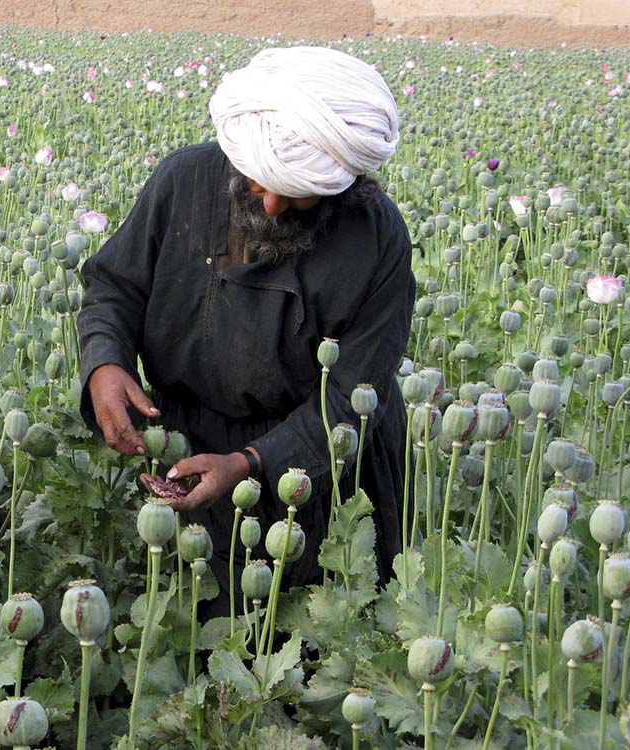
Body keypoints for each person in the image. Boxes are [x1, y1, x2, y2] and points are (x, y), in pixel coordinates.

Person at [78, 46, 414, 601]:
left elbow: (354, 395)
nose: (275, 204)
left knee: (327, 635)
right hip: (194, 446)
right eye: (260, 183)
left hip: (324, 465)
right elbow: (116, 285)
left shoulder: (376, 238)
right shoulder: (182, 182)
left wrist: (253, 463)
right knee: (209, 622)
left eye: (299, 194)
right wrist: (104, 362)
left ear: (344, 185)